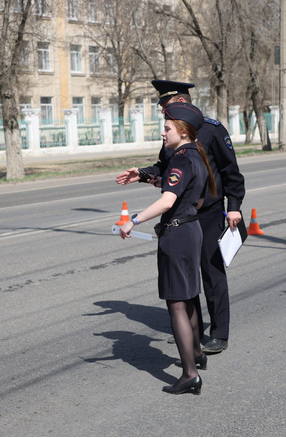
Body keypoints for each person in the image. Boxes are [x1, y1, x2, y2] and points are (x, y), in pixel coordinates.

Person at [116, 80, 245, 355]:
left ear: (183, 103)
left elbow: (231, 172)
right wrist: (143, 173)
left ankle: (219, 333)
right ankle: (192, 334)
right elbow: (166, 168)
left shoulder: (210, 129)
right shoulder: (173, 131)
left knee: (211, 272)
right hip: (184, 213)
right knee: (187, 278)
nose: (163, 113)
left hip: (208, 212)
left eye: (167, 107)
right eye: (163, 109)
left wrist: (234, 205)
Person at [120, 102, 216, 395]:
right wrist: (147, 176)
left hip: (177, 234)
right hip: (191, 229)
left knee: (176, 303)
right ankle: (196, 354)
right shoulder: (195, 156)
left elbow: (167, 201)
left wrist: (133, 221)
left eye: (167, 128)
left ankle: (189, 374)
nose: (163, 133)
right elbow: (186, 193)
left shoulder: (180, 158)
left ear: (183, 131)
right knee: (189, 298)